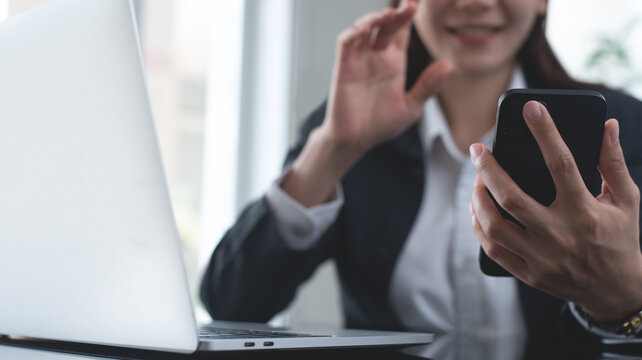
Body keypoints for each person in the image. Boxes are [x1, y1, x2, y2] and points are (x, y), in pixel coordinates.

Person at [200, 0, 642, 355]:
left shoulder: (619, 129)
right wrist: (334, 148)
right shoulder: (348, 127)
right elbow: (231, 302)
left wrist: (623, 301)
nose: (476, 3)